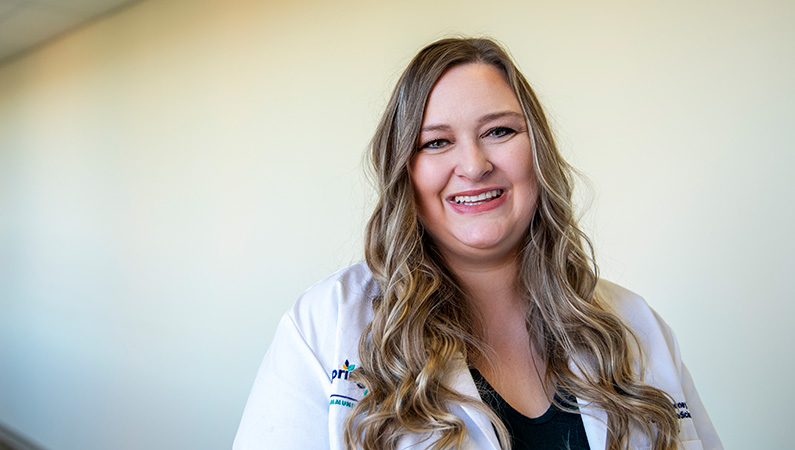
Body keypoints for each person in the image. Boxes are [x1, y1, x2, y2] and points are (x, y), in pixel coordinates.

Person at [233, 38, 722, 450]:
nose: (473, 164)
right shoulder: (324, 326)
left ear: (539, 154)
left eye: (499, 131)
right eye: (436, 142)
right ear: (405, 170)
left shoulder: (635, 326)